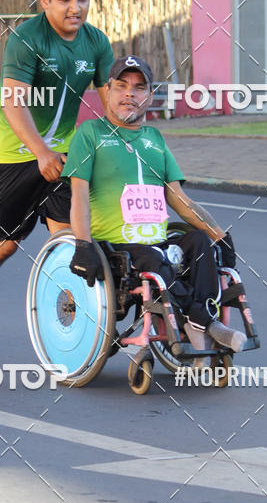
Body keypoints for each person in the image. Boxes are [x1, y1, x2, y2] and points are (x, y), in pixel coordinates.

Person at [0, 0, 114, 354]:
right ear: (45, 0)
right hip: (15, 154)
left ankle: (84, 324)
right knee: (4, 245)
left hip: (63, 154)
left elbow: (113, 108)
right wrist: (40, 151)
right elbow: (13, 102)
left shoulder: (96, 43)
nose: (76, 8)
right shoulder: (27, 39)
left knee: (70, 239)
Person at [62, 55, 246, 359]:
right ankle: (205, 325)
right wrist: (82, 244)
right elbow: (78, 194)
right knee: (153, 260)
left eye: (139, 88)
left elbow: (180, 201)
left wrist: (218, 234)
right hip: (119, 246)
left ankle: (198, 322)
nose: (129, 94)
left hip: (158, 242)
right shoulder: (90, 134)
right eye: (121, 86)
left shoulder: (155, 139)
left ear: (149, 97)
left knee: (199, 243)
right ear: (107, 91)